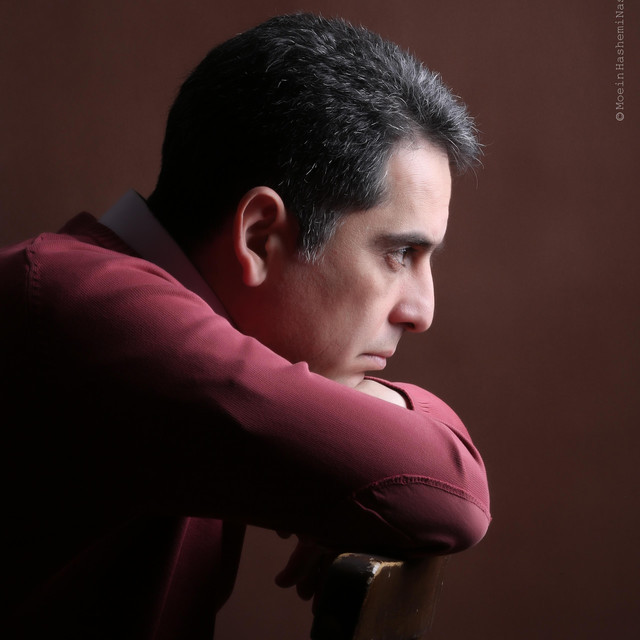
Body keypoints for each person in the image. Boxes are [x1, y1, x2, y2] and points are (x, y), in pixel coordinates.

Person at [1, 13, 490, 639]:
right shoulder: (89, 311)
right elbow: (449, 490)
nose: (421, 312)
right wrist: (375, 444)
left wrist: (365, 444)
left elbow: (427, 486)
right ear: (260, 236)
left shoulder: (162, 326)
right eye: (400, 253)